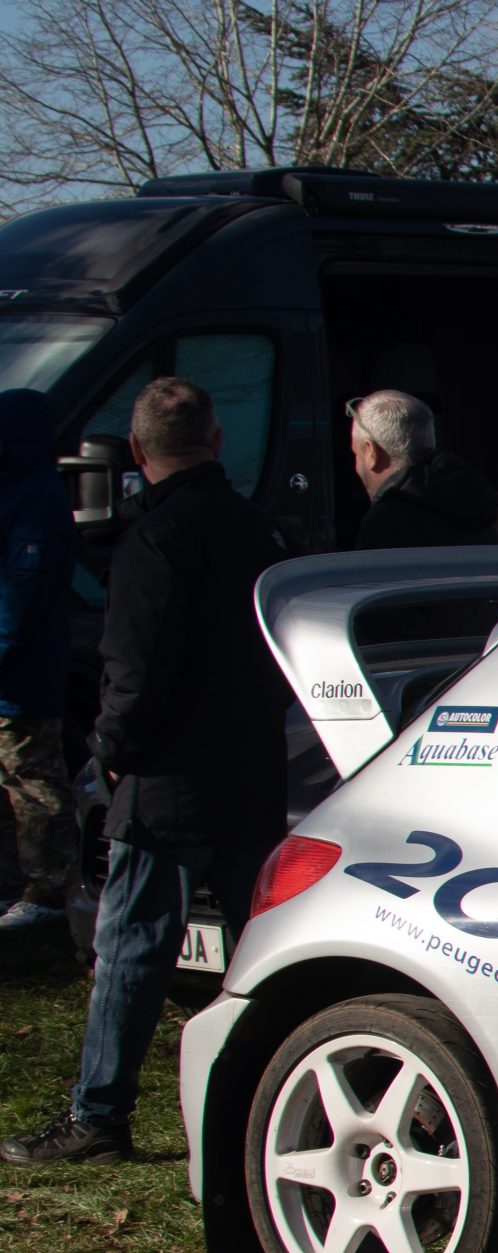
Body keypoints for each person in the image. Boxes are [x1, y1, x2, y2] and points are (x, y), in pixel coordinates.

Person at [3, 379, 289, 1166]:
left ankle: (100, 1114)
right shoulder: (259, 531)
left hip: (166, 781)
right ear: (217, 440)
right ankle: (269, 1106)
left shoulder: (153, 541)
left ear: (135, 451)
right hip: (252, 771)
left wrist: (112, 752)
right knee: (262, 952)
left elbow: (133, 670)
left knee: (132, 946)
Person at [0, 387, 77, 934]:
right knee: (14, 780)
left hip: (22, 677)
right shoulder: (21, 490)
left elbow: (21, 594)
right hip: (15, 671)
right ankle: (18, 882)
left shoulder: (36, 499)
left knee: (33, 780)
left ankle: (49, 887)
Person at [347, 390, 498, 549]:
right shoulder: (474, 504)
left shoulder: (385, 522)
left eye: (356, 454)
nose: (356, 466)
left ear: (371, 452)